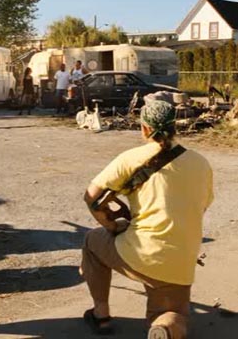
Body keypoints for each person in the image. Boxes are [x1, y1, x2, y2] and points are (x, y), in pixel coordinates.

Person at [81, 100, 214, 339]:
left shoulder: (130, 158)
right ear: (176, 127)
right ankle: (162, 330)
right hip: (180, 260)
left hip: (139, 253)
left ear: (144, 129)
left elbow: (91, 197)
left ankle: (101, 314)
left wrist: (112, 226)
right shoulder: (200, 163)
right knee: (174, 314)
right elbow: (200, 207)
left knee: (92, 241)